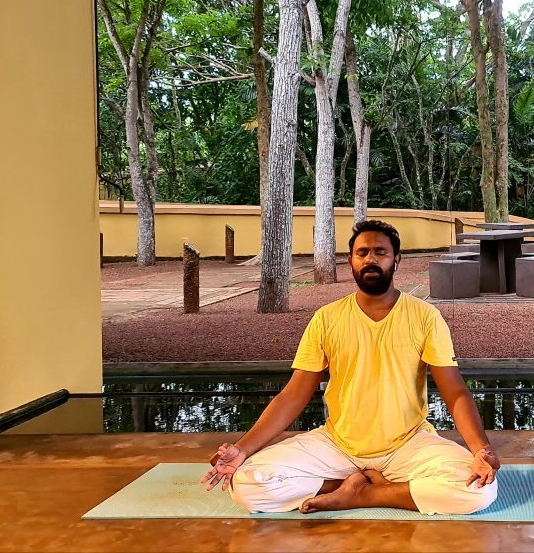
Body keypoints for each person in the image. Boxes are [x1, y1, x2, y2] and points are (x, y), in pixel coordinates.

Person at [200, 219, 500, 515]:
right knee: (246, 483)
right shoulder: (326, 318)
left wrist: (480, 451)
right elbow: (293, 396)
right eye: (362, 252)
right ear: (351, 261)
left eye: (380, 252)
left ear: (396, 259)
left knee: (478, 488)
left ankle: (365, 493)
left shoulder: (425, 317)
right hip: (337, 443)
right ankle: (356, 487)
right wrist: (241, 449)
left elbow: (455, 393)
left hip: (407, 443)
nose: (371, 258)